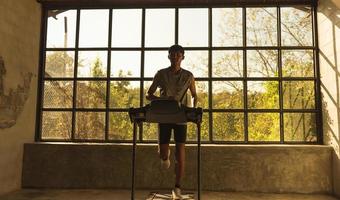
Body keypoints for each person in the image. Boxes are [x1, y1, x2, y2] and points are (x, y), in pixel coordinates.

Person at [146, 44, 198, 198]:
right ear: (168, 56)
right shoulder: (161, 74)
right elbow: (148, 94)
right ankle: (164, 155)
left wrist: (193, 109)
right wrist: (162, 99)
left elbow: (195, 95)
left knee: (180, 153)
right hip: (164, 116)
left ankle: (177, 187)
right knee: (163, 155)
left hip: (181, 116)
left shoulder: (189, 76)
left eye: (178, 55)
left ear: (182, 57)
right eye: (172, 55)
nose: (175, 57)